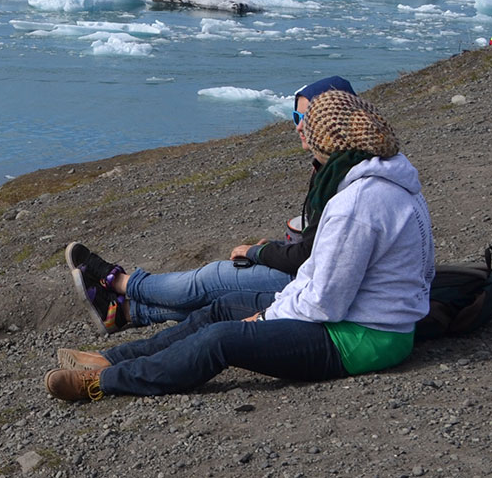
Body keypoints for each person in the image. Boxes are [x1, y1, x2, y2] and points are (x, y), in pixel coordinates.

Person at [46, 89, 434, 401]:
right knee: (222, 308)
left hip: (361, 338)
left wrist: (265, 319)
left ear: (328, 141)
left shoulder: (358, 204)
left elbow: (325, 303)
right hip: (365, 323)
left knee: (224, 339)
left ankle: (106, 381)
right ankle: (107, 358)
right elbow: (319, 275)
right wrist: (273, 309)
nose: (306, 144)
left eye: (309, 133)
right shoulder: (392, 183)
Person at [68, 76, 356, 333]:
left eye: (309, 118)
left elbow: (308, 255)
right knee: (218, 296)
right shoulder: (329, 166)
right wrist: (280, 248)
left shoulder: (347, 178)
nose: (300, 127)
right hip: (312, 275)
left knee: (211, 280)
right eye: (296, 117)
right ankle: (124, 313)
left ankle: (119, 282)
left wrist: (260, 252)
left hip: (316, 285)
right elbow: (315, 244)